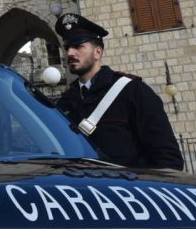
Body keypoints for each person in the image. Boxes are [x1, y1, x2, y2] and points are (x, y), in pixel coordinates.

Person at [54, 12, 184, 169]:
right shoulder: (65, 102)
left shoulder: (133, 91)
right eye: (67, 47)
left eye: (78, 46)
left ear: (98, 52)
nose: (70, 53)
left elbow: (168, 160)